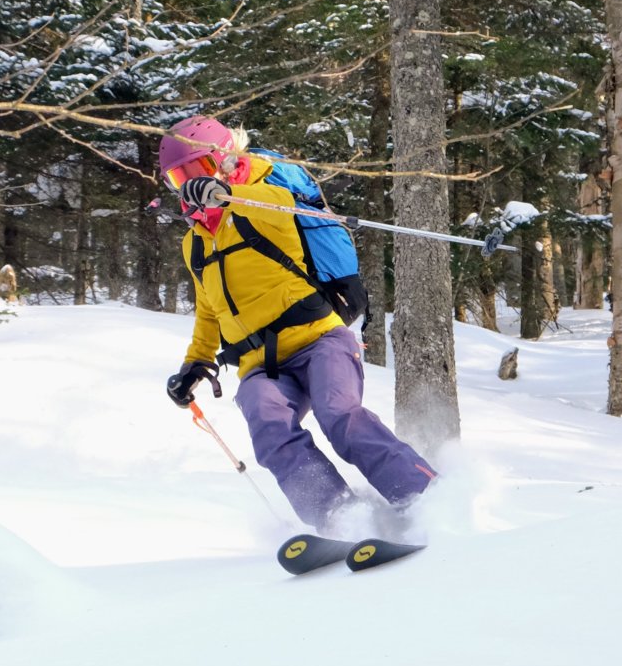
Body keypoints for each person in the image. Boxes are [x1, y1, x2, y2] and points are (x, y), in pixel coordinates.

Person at [159, 115, 436, 533]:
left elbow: (282, 205)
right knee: (270, 431)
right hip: (259, 363)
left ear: (224, 159)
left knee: (340, 415)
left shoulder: (265, 197)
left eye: (197, 170)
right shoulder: (194, 242)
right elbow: (208, 308)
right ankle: (339, 520)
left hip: (320, 339)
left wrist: (228, 193)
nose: (189, 185)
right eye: (179, 177)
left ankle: (425, 497)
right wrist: (195, 365)